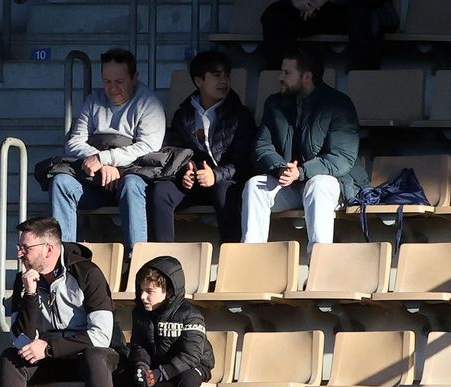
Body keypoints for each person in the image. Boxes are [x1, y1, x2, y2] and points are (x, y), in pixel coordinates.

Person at [0, 216, 129, 387]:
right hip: (53, 359)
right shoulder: (23, 280)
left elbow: (101, 336)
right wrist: (30, 296)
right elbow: (19, 340)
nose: (19, 253)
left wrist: (49, 348)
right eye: (19, 247)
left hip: (94, 357)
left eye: (26, 248)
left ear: (48, 249)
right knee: (10, 359)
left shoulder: (87, 273)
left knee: (94, 357)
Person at [242, 47, 369, 246]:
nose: (280, 77)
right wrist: (281, 169)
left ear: (307, 76)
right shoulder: (275, 104)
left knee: (318, 184)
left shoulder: (338, 104)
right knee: (255, 186)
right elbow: (261, 146)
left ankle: (319, 260)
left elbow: (342, 158)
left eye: (287, 73)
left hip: (334, 186)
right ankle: (250, 258)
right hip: (290, 184)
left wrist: (301, 172)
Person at [50, 48, 166, 251]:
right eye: (107, 81)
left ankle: (136, 259)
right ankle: (65, 258)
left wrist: (106, 158)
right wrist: (98, 162)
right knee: (61, 182)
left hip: (132, 177)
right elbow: (74, 142)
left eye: (119, 82)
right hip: (95, 179)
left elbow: (149, 147)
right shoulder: (93, 101)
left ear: (135, 77)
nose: (112, 88)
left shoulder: (149, 103)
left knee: (132, 184)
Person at [151, 50, 255, 243]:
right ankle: (162, 260)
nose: (223, 81)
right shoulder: (184, 114)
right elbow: (175, 151)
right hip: (195, 182)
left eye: (226, 75)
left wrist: (216, 175)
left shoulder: (240, 115)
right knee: (161, 191)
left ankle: (230, 256)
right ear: (199, 81)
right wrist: (184, 171)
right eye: (216, 75)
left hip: (225, 181)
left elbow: (243, 162)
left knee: (224, 192)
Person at [125, 255, 213, 387]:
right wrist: (141, 366)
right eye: (141, 290)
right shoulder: (139, 313)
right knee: (124, 377)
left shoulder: (191, 315)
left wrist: (161, 373)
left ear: (169, 291)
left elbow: (191, 356)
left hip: (193, 365)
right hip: (157, 365)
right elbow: (138, 345)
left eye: (149, 291)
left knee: (188, 383)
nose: (143, 296)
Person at [259, 0, 395, 71]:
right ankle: (283, 77)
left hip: (353, 9)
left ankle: (363, 83)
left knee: (360, 17)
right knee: (274, 15)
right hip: (314, 10)